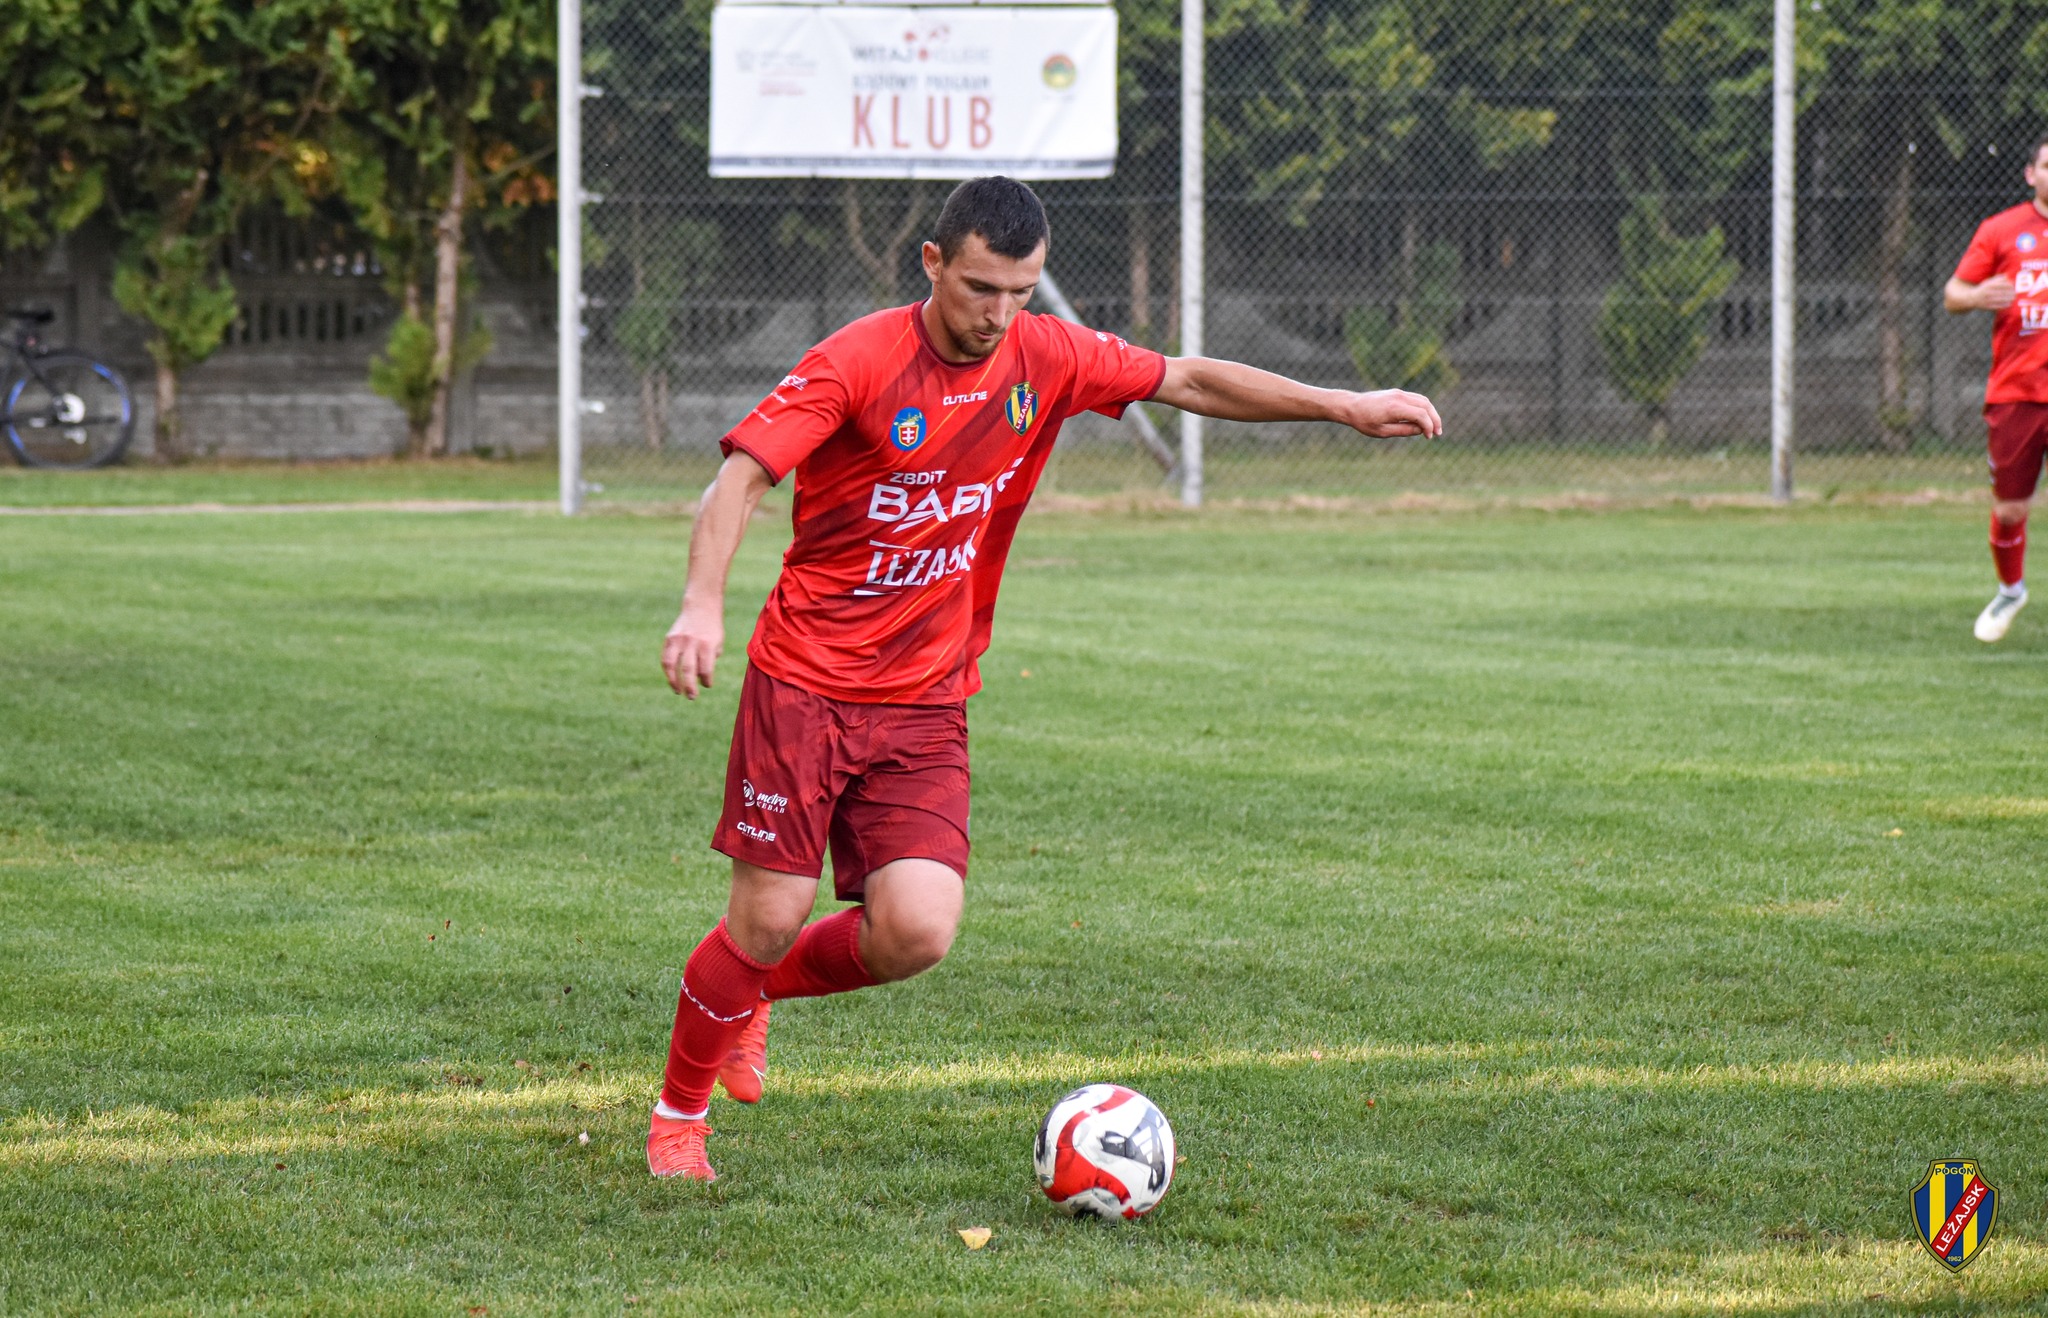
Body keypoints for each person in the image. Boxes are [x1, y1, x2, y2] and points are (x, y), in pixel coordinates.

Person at [646, 176, 1441, 1180]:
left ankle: (752, 994)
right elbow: (741, 476)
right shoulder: (856, 360)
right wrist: (701, 603)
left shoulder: (1046, 355)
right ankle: (678, 1114)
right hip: (805, 682)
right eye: (979, 287)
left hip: (928, 694)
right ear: (931, 263)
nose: (997, 314)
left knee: (915, 932)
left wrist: (1340, 405)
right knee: (764, 916)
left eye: (1020, 290)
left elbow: (1185, 379)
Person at [1945, 131, 2048, 642]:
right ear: (2032, 174)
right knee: (2010, 509)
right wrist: (1979, 294)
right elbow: (1953, 294)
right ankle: (2011, 590)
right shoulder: (2002, 231)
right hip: (2016, 392)